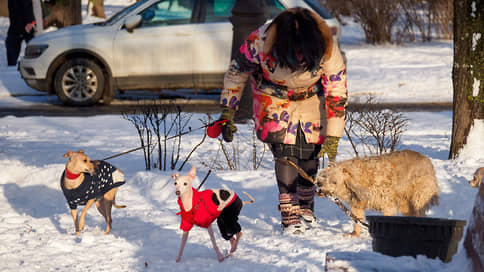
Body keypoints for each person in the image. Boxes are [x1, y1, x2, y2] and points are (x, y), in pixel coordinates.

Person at [216, 7, 347, 234]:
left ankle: (306, 208)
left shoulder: (325, 44)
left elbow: (337, 91)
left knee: (309, 153)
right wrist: (228, 111)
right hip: (273, 101)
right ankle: (289, 214)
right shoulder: (261, 40)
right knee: (285, 154)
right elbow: (237, 71)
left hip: (311, 101)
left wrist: (333, 137)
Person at [5, 0, 36, 66]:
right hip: (16, 24)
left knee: (33, 47)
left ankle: (36, 65)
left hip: (24, 24)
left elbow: (27, 5)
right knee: (11, 43)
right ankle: (12, 65)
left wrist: (29, 22)